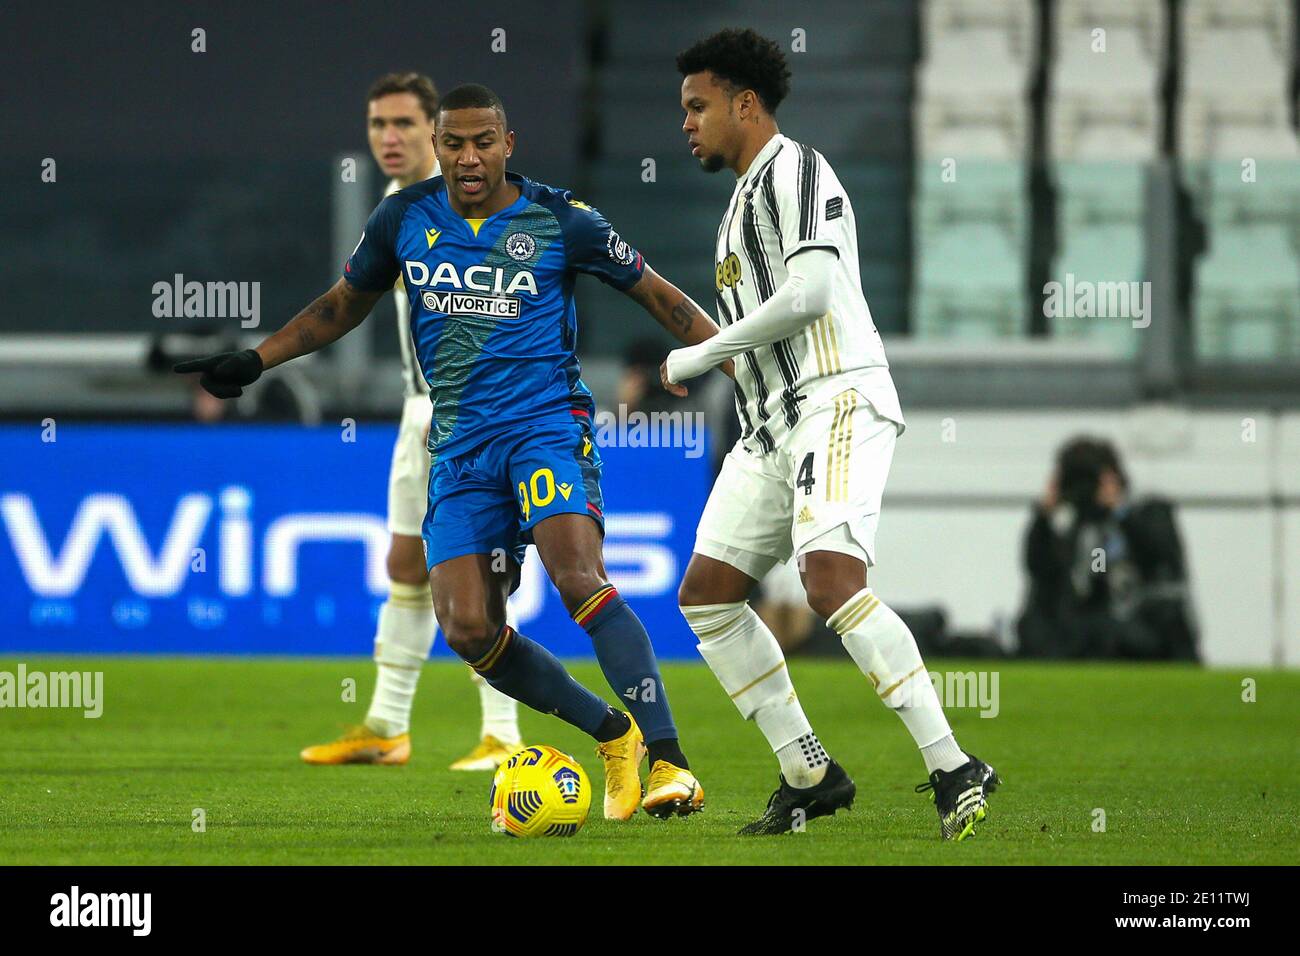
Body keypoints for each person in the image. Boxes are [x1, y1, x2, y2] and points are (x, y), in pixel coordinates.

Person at [176, 83, 725, 820]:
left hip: (544, 429)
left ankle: (671, 762)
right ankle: (612, 732)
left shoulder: (563, 220)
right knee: (468, 628)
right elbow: (342, 304)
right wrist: (258, 358)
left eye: (483, 142)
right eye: (455, 143)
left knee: (577, 576)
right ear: (439, 148)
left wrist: (738, 360)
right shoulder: (405, 217)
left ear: (508, 145)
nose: (469, 157)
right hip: (459, 444)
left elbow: (660, 297)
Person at [663, 29, 999, 839]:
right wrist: (738, 369)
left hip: (836, 399)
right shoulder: (741, 200)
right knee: (707, 596)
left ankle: (955, 764)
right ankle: (809, 773)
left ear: (746, 104)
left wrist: (706, 350)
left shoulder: (798, 171)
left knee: (830, 583)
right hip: (773, 425)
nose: (687, 124)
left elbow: (812, 293)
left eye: (698, 106)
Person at [296, 73, 524, 772]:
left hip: (471, 414)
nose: (387, 139)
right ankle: (388, 726)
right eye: (376, 125)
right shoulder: (398, 205)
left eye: (402, 124)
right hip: (416, 407)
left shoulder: (472, 206)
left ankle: (503, 732)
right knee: (404, 562)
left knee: (477, 570)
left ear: (433, 131)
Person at [1018, 436, 1199, 661]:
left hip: (1149, 631)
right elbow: (1041, 569)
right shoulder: (1082, 530)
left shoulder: (1148, 513)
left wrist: (1119, 510)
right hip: (1096, 638)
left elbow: (1161, 555)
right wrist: (1043, 516)